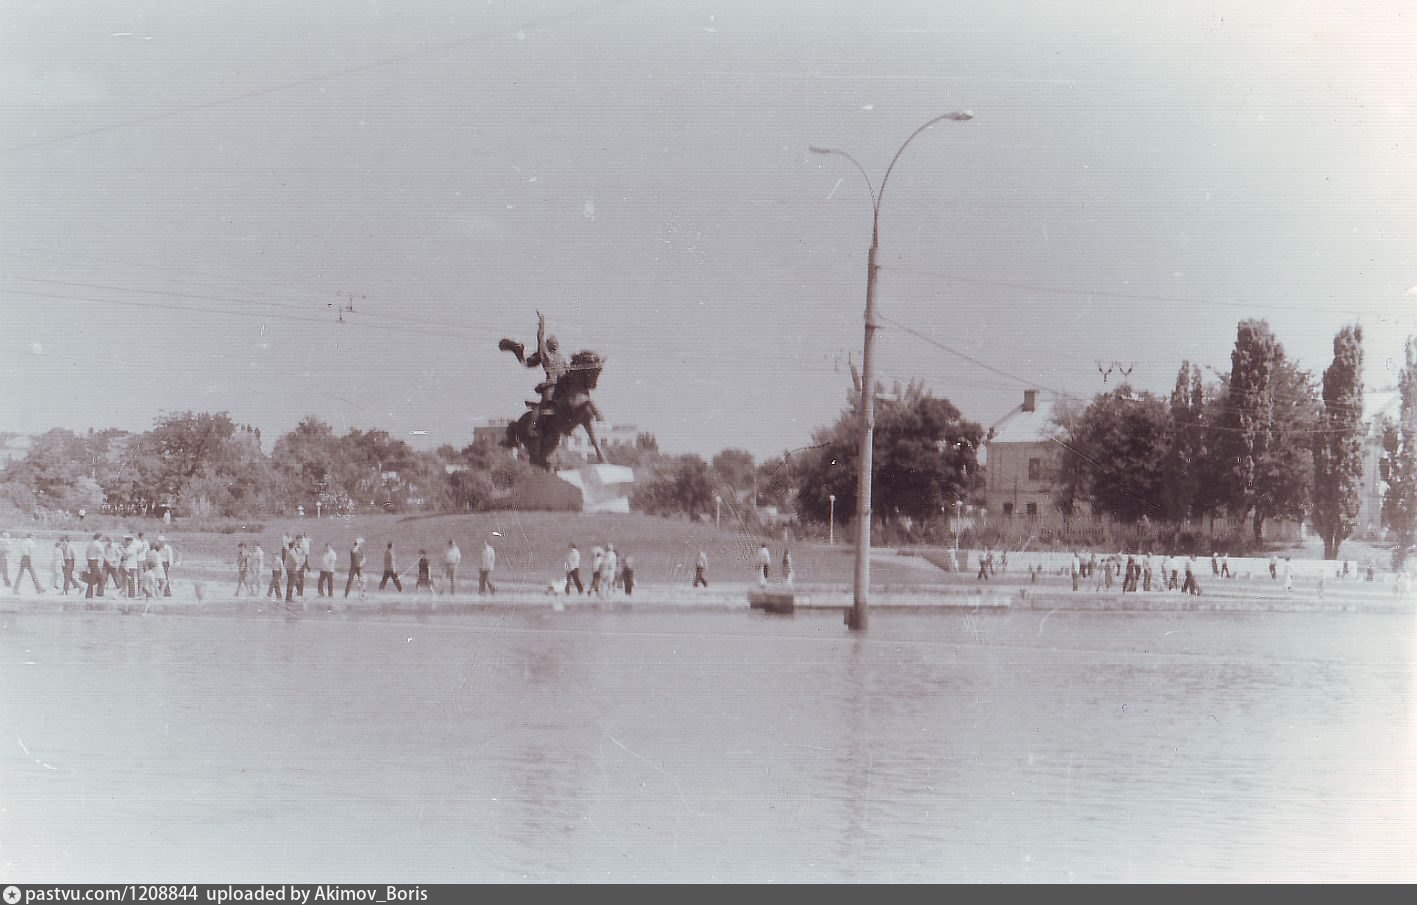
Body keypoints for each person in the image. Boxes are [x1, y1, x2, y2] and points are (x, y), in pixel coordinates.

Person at [85, 533, 105, 600]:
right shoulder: (98, 544)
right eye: (101, 537)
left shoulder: (90, 544)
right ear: (99, 537)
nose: (102, 539)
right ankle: (89, 594)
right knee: (93, 578)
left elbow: (87, 553)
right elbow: (102, 553)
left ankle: (99, 593)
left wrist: (88, 563)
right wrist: (108, 561)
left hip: (90, 561)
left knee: (100, 577)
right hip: (94, 561)